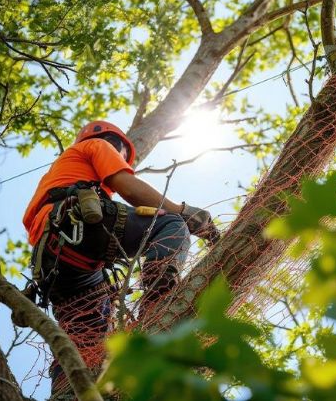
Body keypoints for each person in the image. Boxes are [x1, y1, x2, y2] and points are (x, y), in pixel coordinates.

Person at [22, 120, 219, 391]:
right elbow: (127, 187)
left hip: (55, 263)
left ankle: (68, 390)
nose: (121, 159)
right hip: (75, 225)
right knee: (171, 224)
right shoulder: (98, 144)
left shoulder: (61, 174)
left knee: (89, 334)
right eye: (122, 155)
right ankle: (157, 301)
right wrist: (184, 211)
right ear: (113, 143)